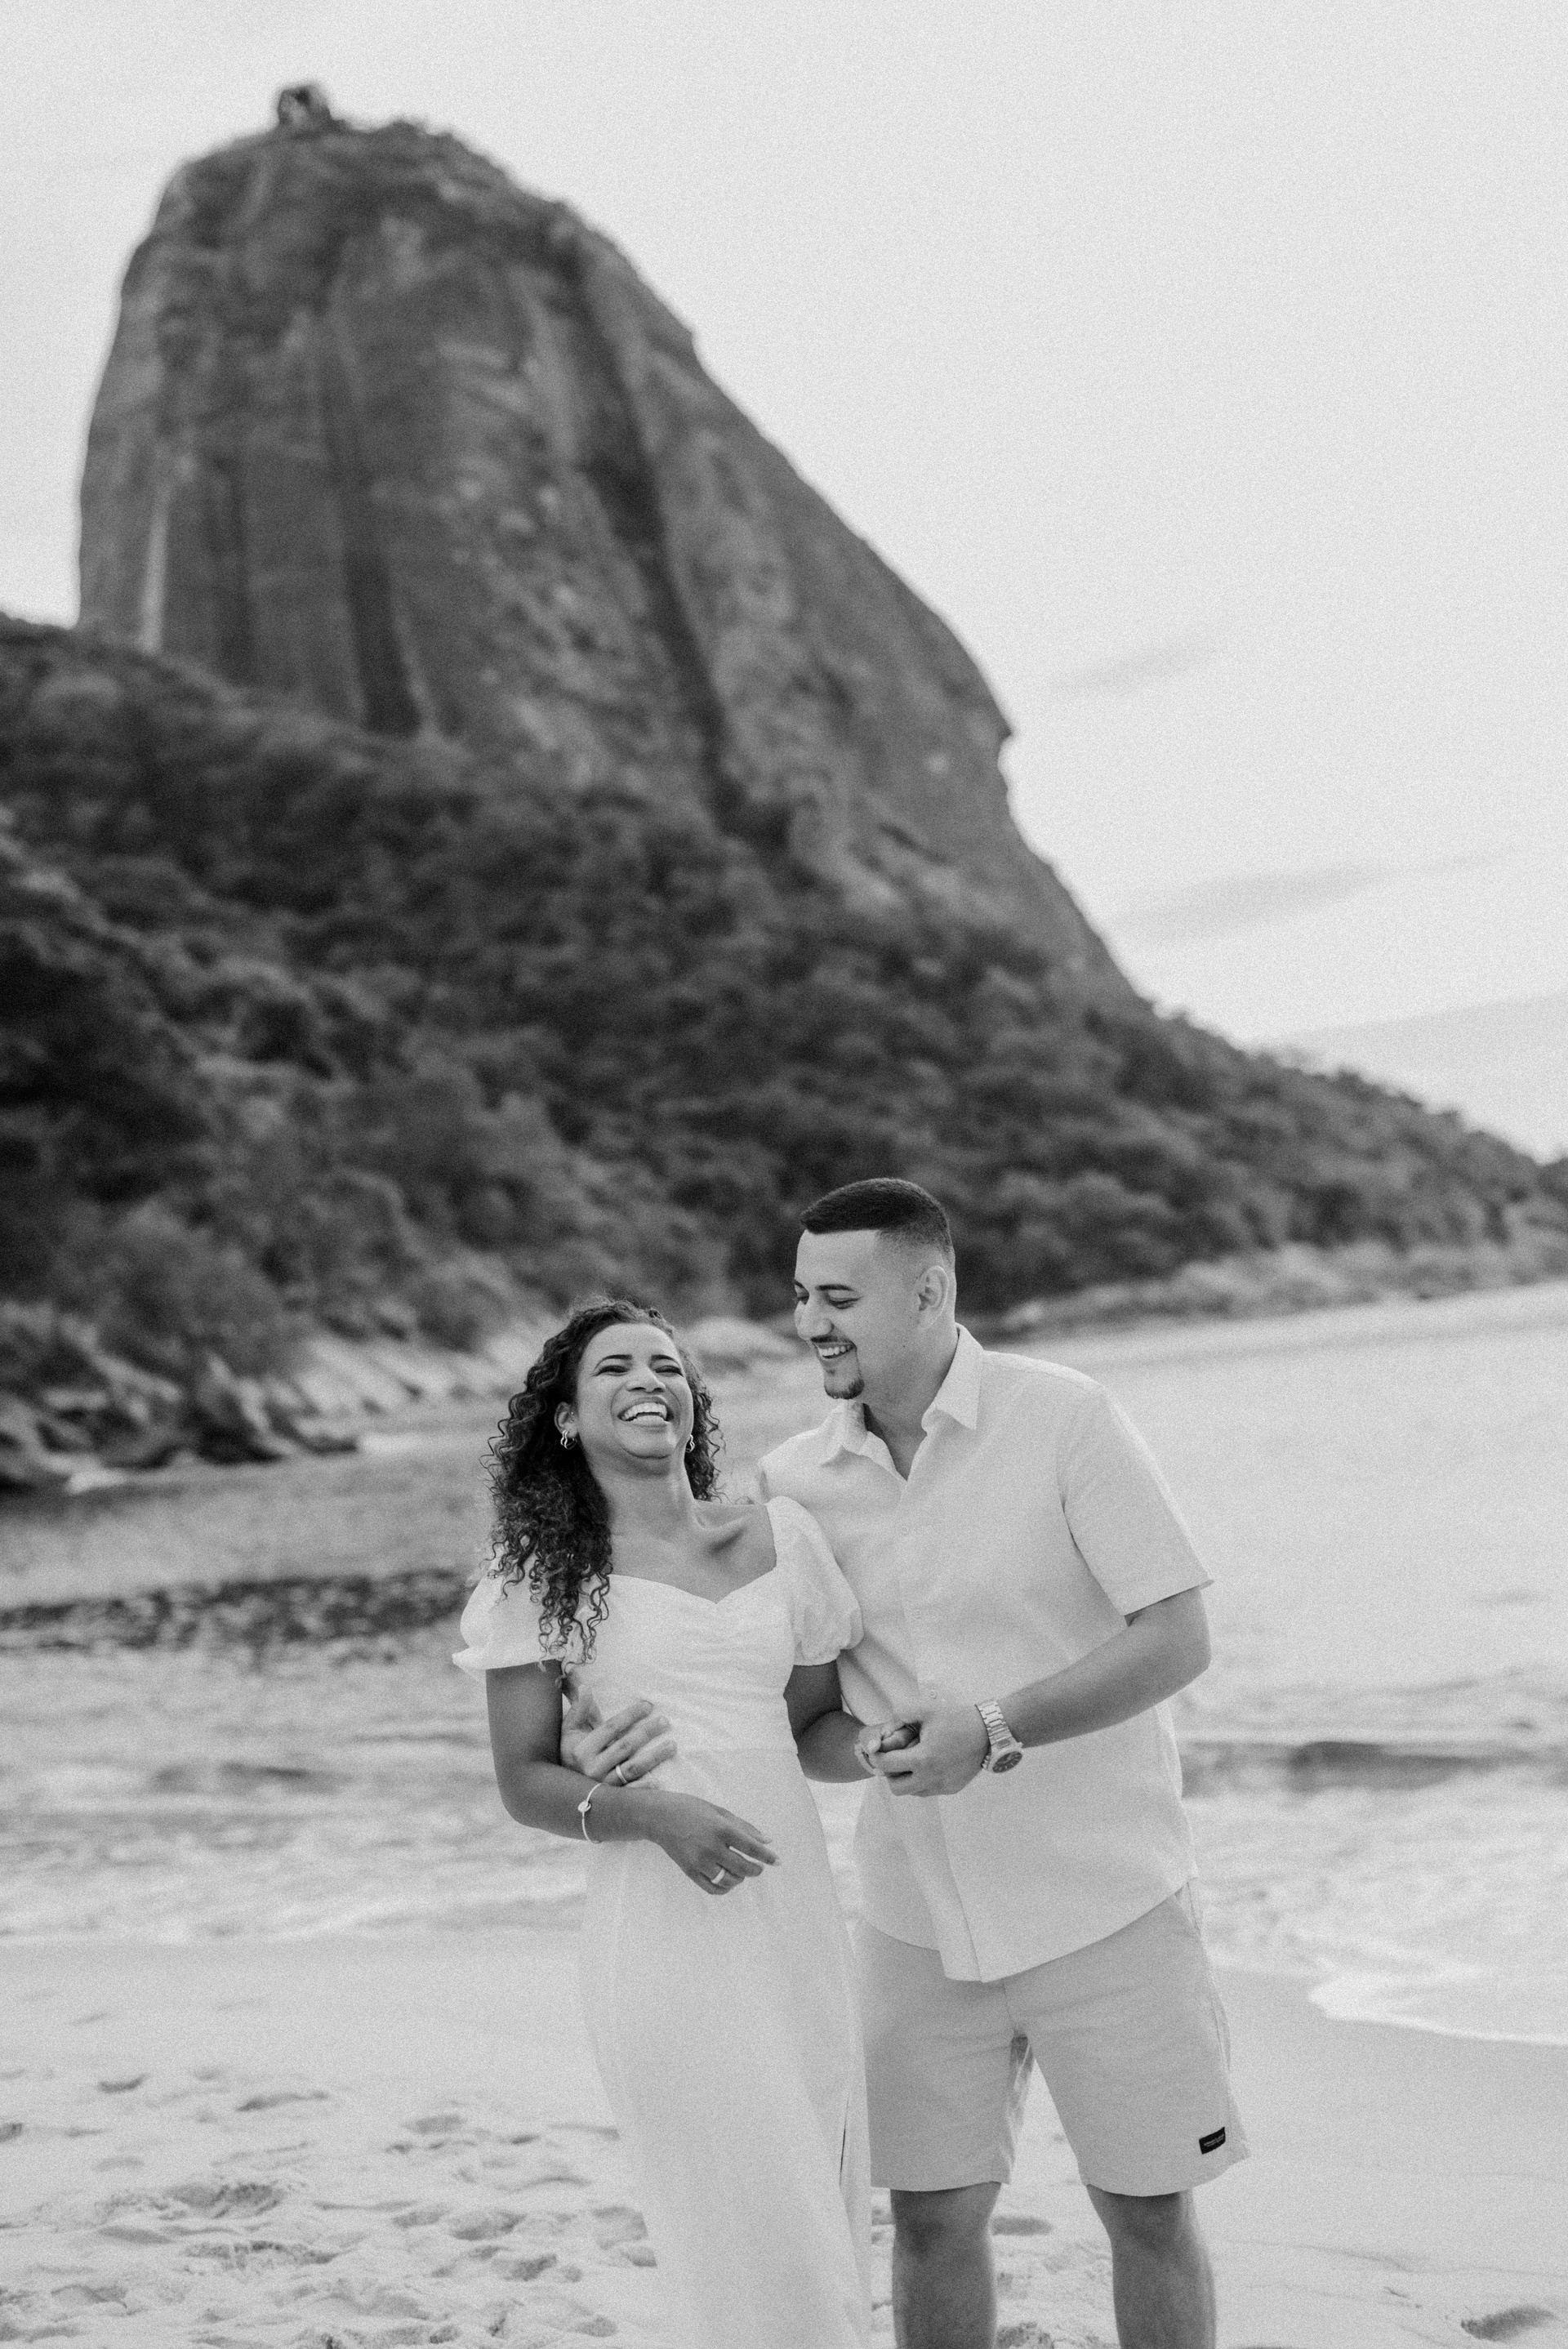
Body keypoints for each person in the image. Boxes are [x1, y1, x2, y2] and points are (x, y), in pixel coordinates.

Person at [576, 1181, 1246, 2349]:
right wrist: (614, 1745)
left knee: (1145, 2210)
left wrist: (993, 1727)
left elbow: (1177, 1639)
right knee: (930, 2220)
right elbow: (794, 1720)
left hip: (1108, 1897)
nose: (810, 1323)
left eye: (838, 1298)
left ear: (929, 1292)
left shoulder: (1066, 1418)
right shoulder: (794, 1485)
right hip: (915, 1920)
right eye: (801, 1297)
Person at [452, 1297, 873, 2349]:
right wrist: (654, 1812)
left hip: (795, 1908)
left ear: (692, 1401)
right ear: (565, 1418)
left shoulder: (784, 1537)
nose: (648, 1381)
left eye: (666, 1365)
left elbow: (811, 1727)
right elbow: (523, 1781)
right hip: (659, 1924)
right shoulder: (542, 1577)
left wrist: (895, 1747)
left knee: (819, 2179)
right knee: (737, 2199)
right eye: (614, 1369)